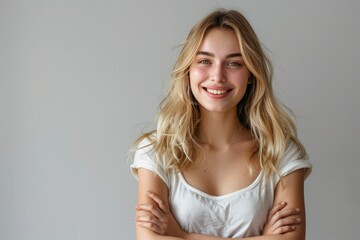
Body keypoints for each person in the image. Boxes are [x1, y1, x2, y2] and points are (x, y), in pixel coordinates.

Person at [129, 9, 312, 240]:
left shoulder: (280, 153)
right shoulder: (156, 151)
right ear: (188, 70)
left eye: (234, 63)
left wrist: (183, 236)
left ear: (251, 74)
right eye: (205, 61)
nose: (217, 75)